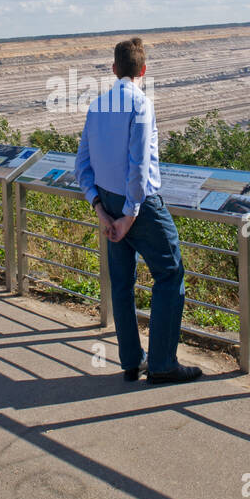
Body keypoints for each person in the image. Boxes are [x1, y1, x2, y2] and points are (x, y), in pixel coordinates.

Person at [76, 37, 201, 385]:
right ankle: (162, 365)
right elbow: (139, 166)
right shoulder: (141, 104)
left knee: (122, 283)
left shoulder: (97, 106)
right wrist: (129, 215)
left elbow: (81, 166)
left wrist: (101, 211)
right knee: (170, 274)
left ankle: (131, 361)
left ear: (114, 69)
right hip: (139, 207)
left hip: (107, 201)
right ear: (143, 70)